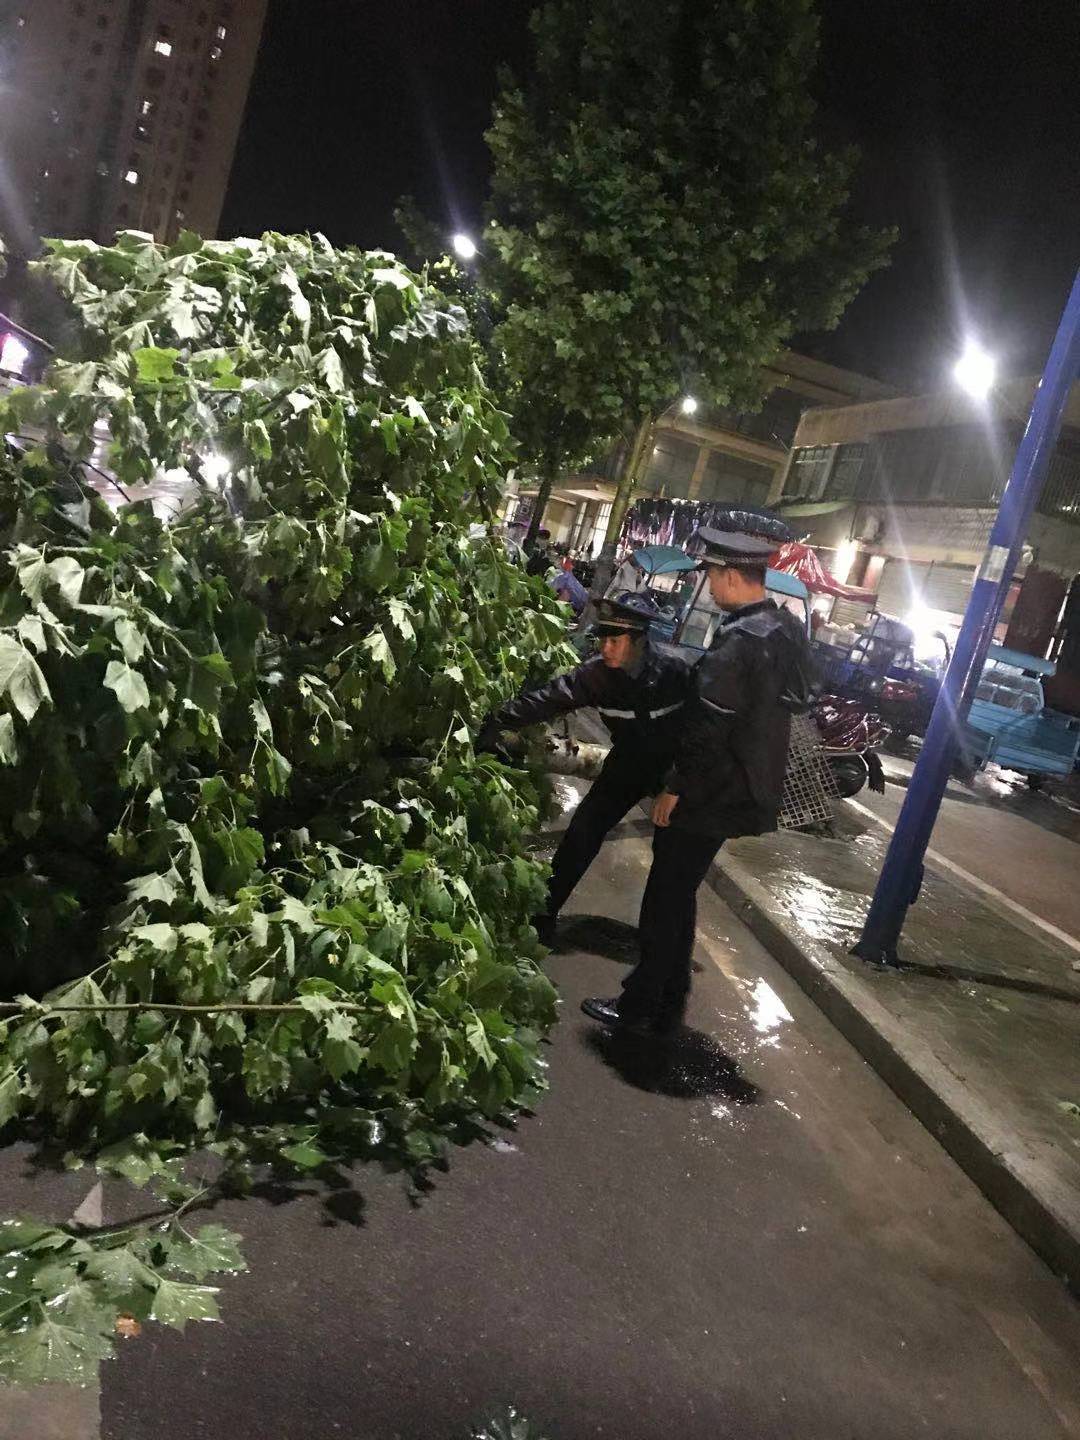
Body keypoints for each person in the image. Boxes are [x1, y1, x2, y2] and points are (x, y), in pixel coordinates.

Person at [582, 529, 817, 1035]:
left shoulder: (740, 641)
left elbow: (709, 723)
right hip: (741, 789)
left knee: (664, 898)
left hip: (708, 789)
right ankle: (669, 996)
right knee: (680, 892)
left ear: (732, 575)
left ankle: (640, 1005)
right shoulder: (782, 630)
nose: (709, 585)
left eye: (712, 574)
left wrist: (675, 785)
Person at [478, 594, 692, 944]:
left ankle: (661, 945)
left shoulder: (675, 673)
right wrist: (495, 721)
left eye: (615, 641)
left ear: (639, 641)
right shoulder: (596, 677)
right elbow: (549, 699)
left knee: (672, 860)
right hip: (628, 762)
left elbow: (702, 730)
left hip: (673, 770)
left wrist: (679, 783)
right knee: (583, 832)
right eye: (602, 640)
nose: (606, 649)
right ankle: (542, 917)